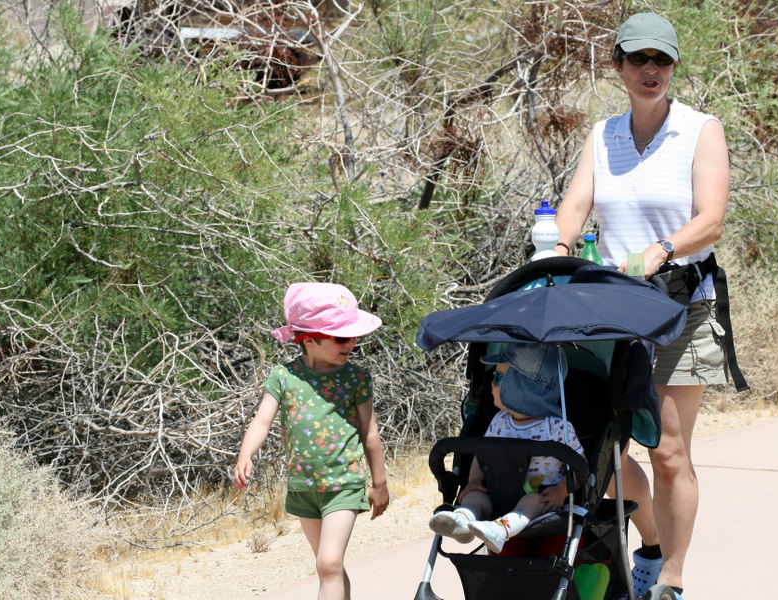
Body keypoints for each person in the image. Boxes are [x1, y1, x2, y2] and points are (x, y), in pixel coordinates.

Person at [554, 12, 731, 600]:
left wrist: (659, 251)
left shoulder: (700, 129)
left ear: (674, 66)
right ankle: (649, 545)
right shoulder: (602, 135)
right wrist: (556, 253)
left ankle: (672, 579)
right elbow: (576, 203)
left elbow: (710, 221)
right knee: (599, 445)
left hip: (680, 304)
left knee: (669, 451)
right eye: (638, 60)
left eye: (661, 61)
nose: (650, 71)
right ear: (619, 67)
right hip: (611, 308)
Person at [233, 282, 390, 600]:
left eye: (354, 336)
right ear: (309, 338)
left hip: (344, 484)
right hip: (303, 487)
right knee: (329, 567)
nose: (352, 344)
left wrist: (380, 482)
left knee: (329, 564)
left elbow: (369, 431)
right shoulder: (284, 376)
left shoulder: (354, 378)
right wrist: (245, 454)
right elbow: (262, 421)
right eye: (342, 337)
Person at [428, 343, 585, 554]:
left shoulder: (557, 427)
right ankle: (463, 518)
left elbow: (579, 466)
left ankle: (501, 530)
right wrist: (474, 481)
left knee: (531, 501)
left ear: (522, 389)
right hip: (497, 490)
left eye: (498, 379)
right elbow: (482, 454)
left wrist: (562, 490)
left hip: (540, 496)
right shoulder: (500, 421)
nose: (491, 385)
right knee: (476, 496)